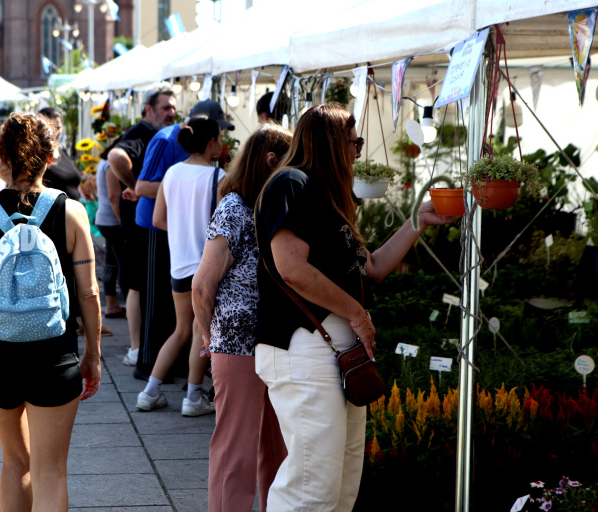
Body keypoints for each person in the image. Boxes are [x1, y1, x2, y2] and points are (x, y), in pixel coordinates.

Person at [254, 104, 456, 511]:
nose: (359, 153)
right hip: (304, 345)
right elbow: (291, 268)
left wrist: (417, 222)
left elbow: (374, 267)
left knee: (341, 486)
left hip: (333, 351)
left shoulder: (327, 197)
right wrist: (357, 314)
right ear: (331, 143)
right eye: (355, 142)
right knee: (312, 486)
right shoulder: (290, 183)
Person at [0, 112, 102, 511]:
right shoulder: (71, 213)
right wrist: (93, 353)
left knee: (15, 462)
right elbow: (90, 294)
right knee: (52, 472)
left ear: (1, 156)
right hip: (54, 355)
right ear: (52, 156)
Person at [192, 124, 292, 512]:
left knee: (276, 446)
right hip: (238, 344)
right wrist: (208, 336)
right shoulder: (235, 208)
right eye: (290, 161)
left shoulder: (266, 205)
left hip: (271, 339)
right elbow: (201, 286)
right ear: (270, 161)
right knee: (237, 447)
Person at [131, 99, 234, 376]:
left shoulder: (172, 173)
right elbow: (227, 224)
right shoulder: (219, 176)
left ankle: (150, 390)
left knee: (180, 330)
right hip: (206, 265)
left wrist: (180, 230)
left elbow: (158, 220)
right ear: (211, 141)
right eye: (221, 139)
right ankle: (193, 393)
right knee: (203, 331)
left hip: (178, 264)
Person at [106, 85, 176, 371]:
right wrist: (136, 186)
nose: (171, 113)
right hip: (141, 224)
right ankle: (137, 348)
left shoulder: (167, 134)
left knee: (152, 287)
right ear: (149, 109)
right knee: (137, 285)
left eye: (173, 108)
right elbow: (115, 158)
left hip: (153, 223)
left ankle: (148, 347)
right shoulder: (140, 134)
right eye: (165, 108)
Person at [95, 137, 127, 320]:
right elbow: (115, 197)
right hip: (112, 221)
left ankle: (112, 305)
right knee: (123, 264)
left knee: (111, 263)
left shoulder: (103, 162)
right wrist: (123, 224)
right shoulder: (110, 165)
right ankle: (128, 303)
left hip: (105, 218)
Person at [38, 106, 82, 201]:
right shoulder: (37, 155)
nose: (56, 132)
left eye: (58, 128)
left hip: (72, 210)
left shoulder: (61, 149)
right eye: (52, 128)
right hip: (55, 212)